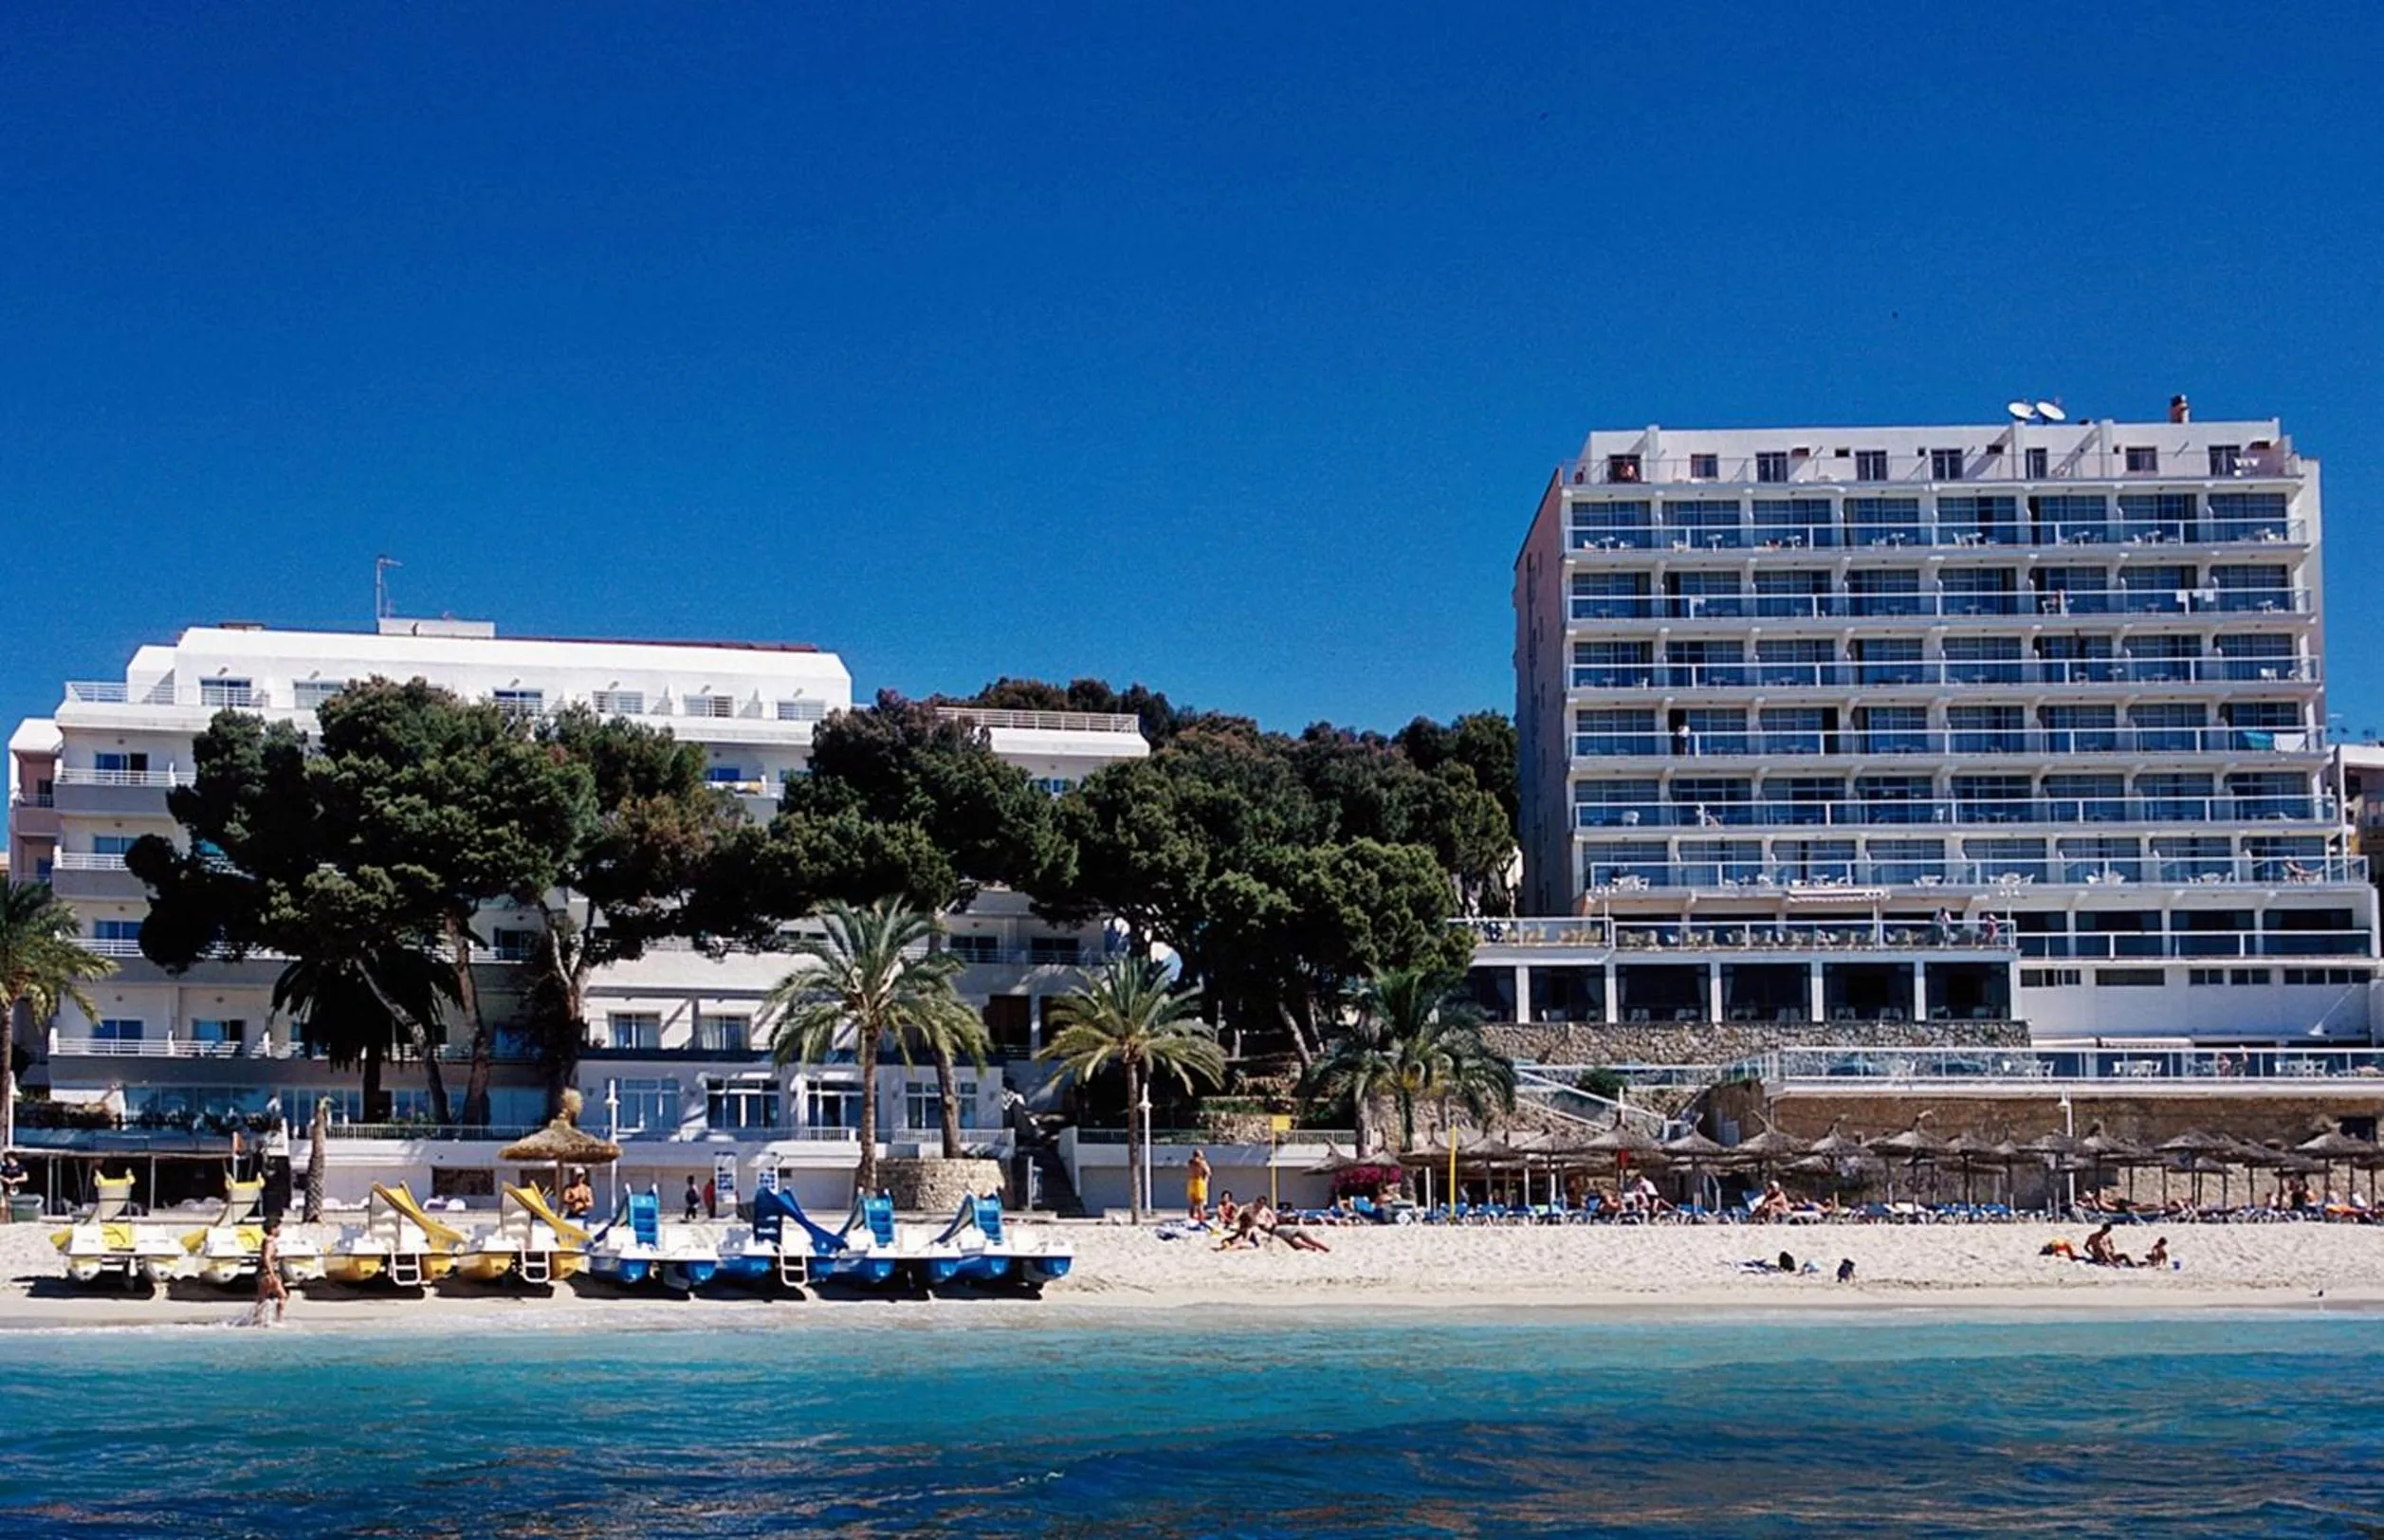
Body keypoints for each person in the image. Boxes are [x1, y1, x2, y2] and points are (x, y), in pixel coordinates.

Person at [254, 1219, 289, 1324]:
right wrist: (272, 1274)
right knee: (282, 1296)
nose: (280, 1230)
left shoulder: (266, 1240)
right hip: (269, 1272)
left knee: (262, 1298)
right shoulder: (270, 1241)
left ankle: (257, 1319)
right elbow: (267, 1257)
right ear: (273, 1229)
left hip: (262, 1273)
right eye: (278, 1227)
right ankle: (279, 1320)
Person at [1185, 1149, 1212, 1222]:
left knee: (1192, 1203)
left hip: (1191, 1182)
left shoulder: (1190, 1163)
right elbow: (1208, 1172)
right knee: (1200, 1203)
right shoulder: (1202, 1162)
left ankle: (1191, 1218)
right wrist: (1205, 1182)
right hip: (1199, 1181)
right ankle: (1201, 1220)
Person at [0, 1149, 25, 1223]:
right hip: (6, 1188)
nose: (8, 1160)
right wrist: (5, 1179)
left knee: (14, 1204)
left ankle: (15, 1218)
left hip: (17, 1188)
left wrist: (16, 1179)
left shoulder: (20, 1167)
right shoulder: (5, 1167)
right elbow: (1, 1175)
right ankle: (4, 1219)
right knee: (4, 1203)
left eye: (9, 1158)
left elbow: (25, 1177)